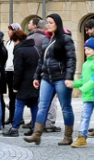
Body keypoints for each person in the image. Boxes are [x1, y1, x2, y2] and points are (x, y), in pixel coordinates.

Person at [24, 13, 77, 146]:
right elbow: (42, 60)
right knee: (42, 107)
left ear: (57, 24)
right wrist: (37, 76)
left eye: (51, 22)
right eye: (47, 22)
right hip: (47, 78)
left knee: (66, 107)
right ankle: (36, 135)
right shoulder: (46, 39)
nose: (48, 25)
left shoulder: (65, 39)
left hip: (61, 78)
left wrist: (69, 77)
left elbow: (71, 59)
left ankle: (68, 136)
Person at [5, 28, 36, 137]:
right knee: (34, 106)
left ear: (17, 40)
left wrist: (15, 85)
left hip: (23, 82)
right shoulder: (34, 49)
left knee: (19, 105)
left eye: (14, 41)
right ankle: (34, 129)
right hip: (34, 82)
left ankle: (14, 128)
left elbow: (18, 69)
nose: (13, 43)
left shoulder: (19, 50)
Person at [3, 23, 20, 129]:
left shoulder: (18, 42)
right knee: (11, 96)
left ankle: (17, 117)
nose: (8, 32)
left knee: (17, 95)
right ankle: (11, 115)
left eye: (10, 30)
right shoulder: (9, 42)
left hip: (15, 70)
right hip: (8, 70)